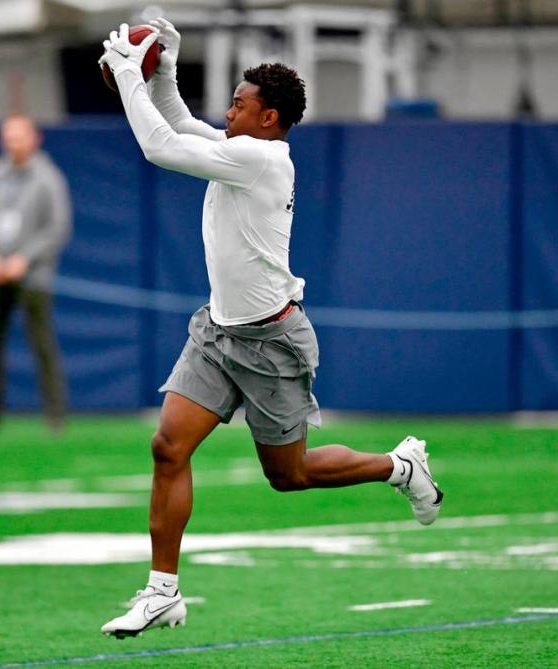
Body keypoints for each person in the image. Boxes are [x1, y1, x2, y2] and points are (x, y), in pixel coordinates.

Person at [98, 21, 444, 638]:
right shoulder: (243, 147)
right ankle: (161, 592)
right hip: (218, 333)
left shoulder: (260, 159)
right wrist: (165, 72)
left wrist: (129, 71)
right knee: (167, 448)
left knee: (291, 475)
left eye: (239, 104)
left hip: (271, 343)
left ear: (269, 119)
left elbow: (160, 147)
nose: (229, 111)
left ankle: (398, 467)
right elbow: (180, 127)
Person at [0, 114, 72, 431]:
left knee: (41, 343)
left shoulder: (48, 178)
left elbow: (57, 228)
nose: (13, 143)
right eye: (8, 136)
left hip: (33, 277)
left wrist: (24, 259)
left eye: (19, 136)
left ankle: (55, 414)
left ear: (34, 139)